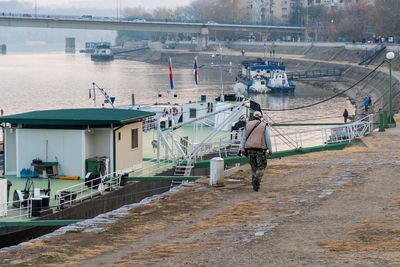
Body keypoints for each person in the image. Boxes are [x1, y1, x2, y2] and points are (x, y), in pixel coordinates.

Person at [239, 111, 272, 192]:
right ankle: (257, 179)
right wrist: (270, 149)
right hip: (260, 149)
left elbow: (243, 138)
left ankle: (255, 185)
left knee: (253, 167)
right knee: (261, 166)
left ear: (253, 117)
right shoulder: (264, 125)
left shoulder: (247, 125)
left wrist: (242, 149)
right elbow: (267, 139)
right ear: (260, 117)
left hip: (249, 149)